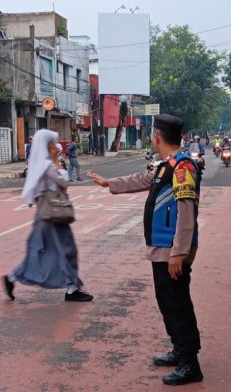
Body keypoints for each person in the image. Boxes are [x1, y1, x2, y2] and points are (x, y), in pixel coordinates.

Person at [86, 114, 203, 386]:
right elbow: (143, 178)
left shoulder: (183, 167)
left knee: (177, 305)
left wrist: (179, 252)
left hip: (171, 250)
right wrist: (109, 184)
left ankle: (190, 363)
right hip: (161, 247)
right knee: (167, 302)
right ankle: (179, 349)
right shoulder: (167, 166)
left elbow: (186, 214)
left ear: (157, 137)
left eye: (152, 134)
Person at [3, 130, 93, 303]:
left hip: (47, 215)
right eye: (53, 143)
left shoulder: (39, 164)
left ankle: (14, 278)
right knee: (65, 251)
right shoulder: (47, 165)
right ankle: (71, 290)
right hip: (52, 216)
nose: (57, 146)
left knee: (45, 252)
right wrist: (56, 161)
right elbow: (64, 182)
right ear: (48, 145)